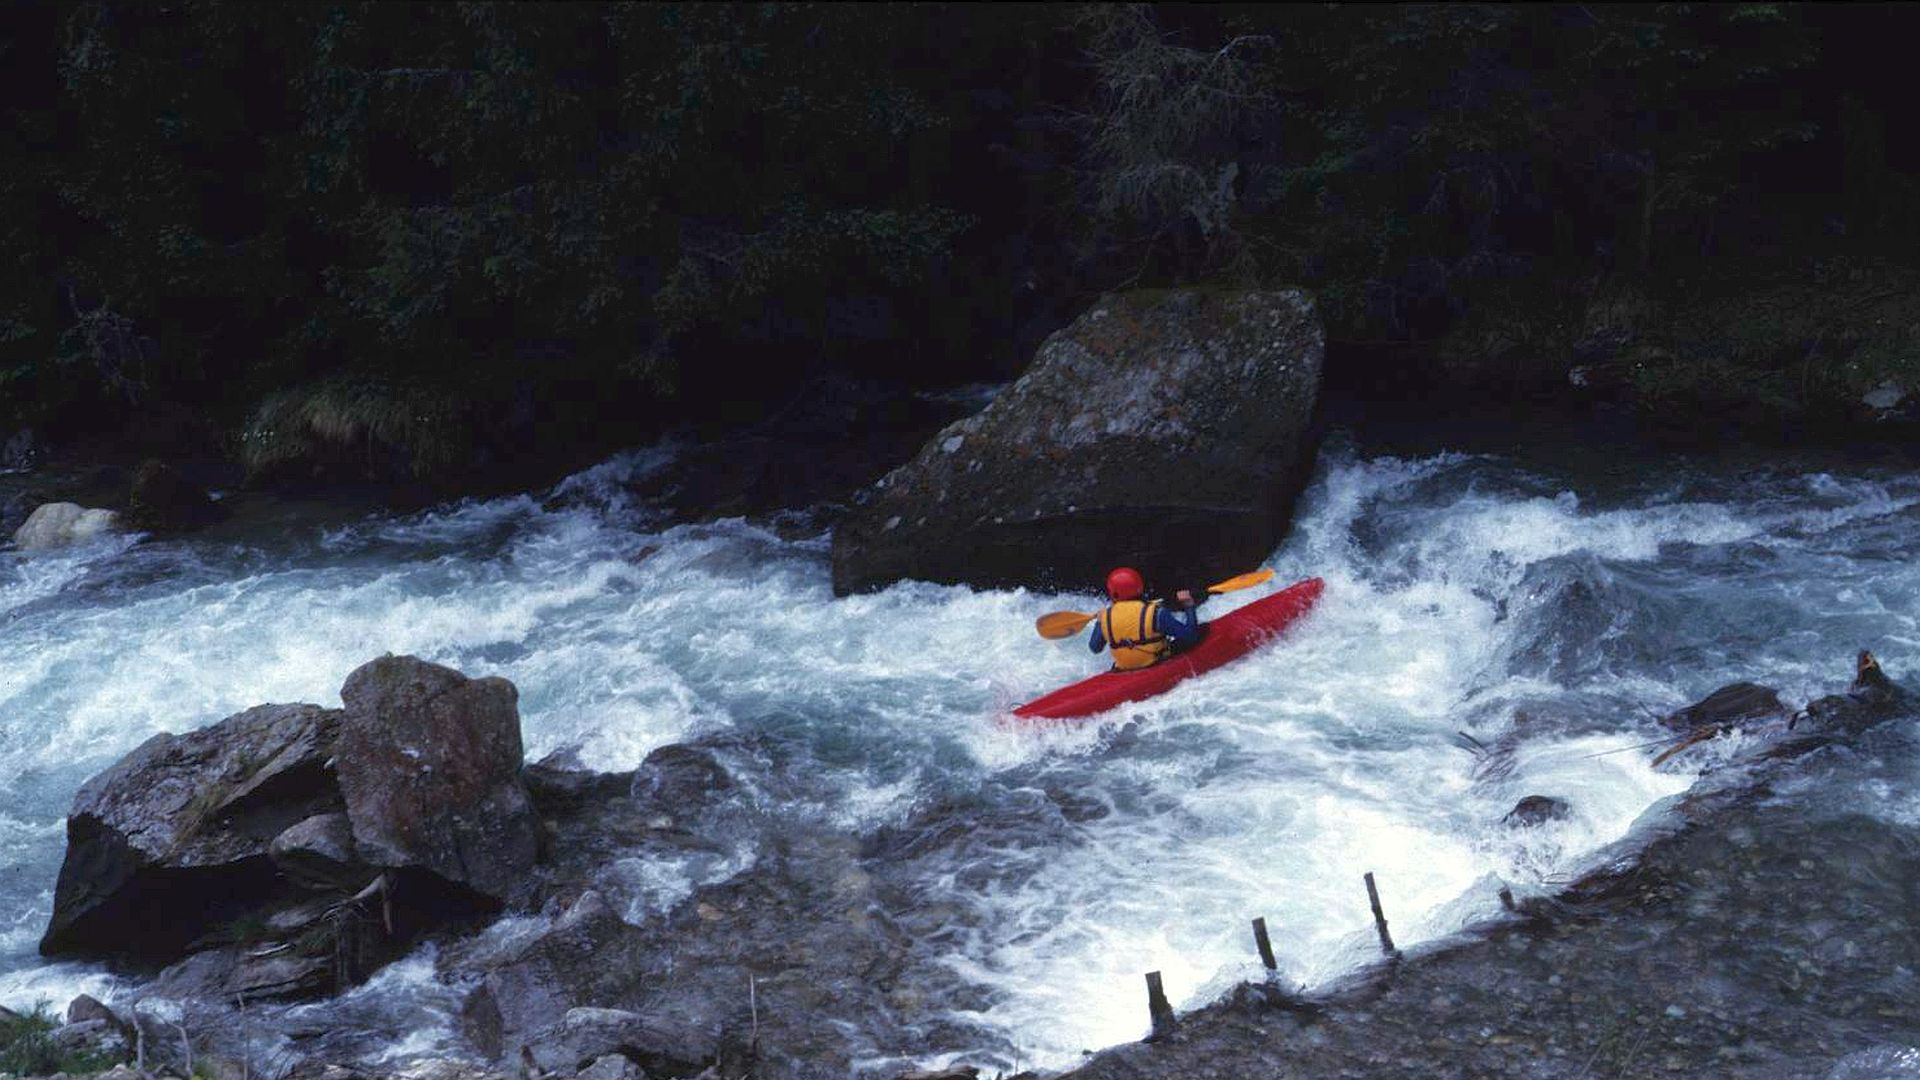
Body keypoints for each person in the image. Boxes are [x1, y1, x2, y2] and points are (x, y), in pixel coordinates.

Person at [1088, 566, 1207, 671]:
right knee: (1201, 631)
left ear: (1113, 593)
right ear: (1140, 587)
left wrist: (1099, 621)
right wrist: (1188, 605)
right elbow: (1191, 637)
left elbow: (1095, 648)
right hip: (1155, 663)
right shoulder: (1156, 612)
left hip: (1123, 668)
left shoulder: (1105, 616)